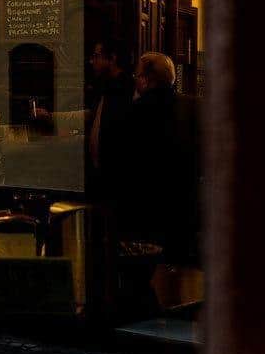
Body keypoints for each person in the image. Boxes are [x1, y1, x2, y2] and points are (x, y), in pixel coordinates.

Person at [121, 52, 202, 263]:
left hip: (146, 210)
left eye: (137, 75)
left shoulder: (134, 112)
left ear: (146, 79)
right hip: (186, 206)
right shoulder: (196, 107)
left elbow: (125, 164)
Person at [85, 38, 134, 198]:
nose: (92, 61)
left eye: (96, 56)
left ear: (112, 58)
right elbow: (93, 116)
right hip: (99, 171)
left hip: (115, 175)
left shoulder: (125, 88)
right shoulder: (104, 84)